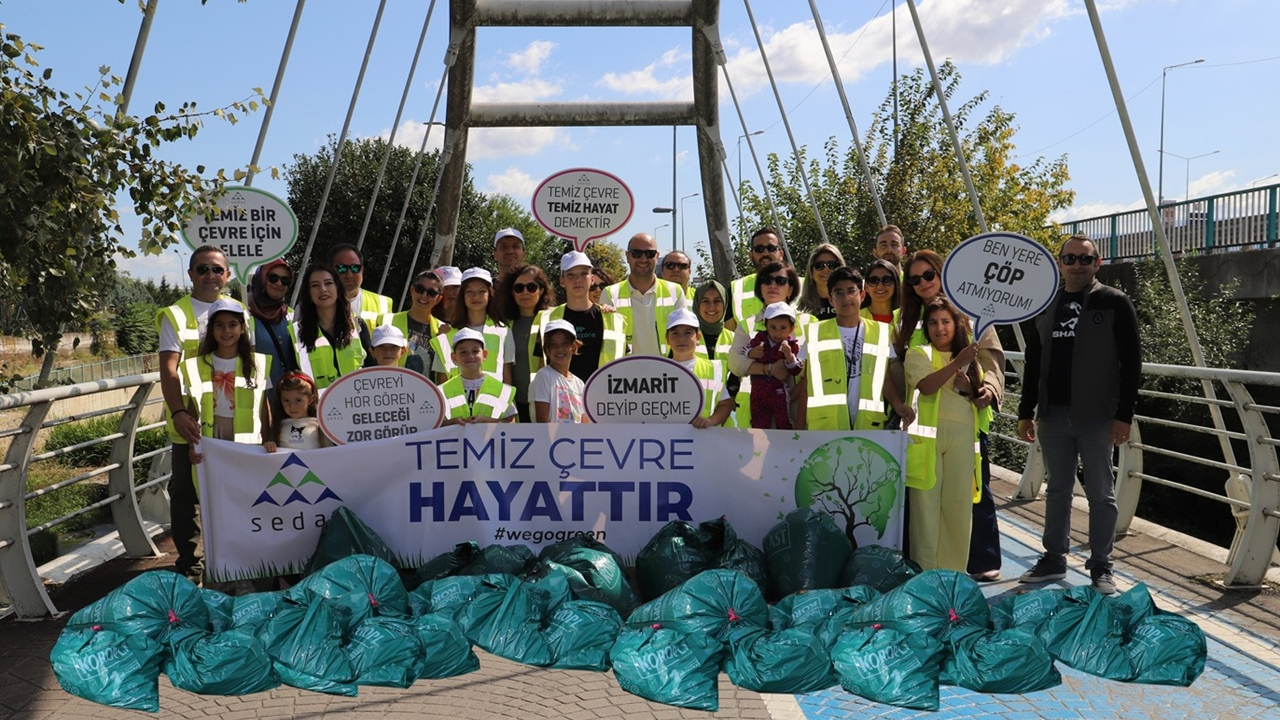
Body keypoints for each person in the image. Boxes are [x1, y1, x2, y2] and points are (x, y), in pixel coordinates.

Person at [1017, 235, 1141, 596]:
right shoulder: (1045, 303)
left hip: (1098, 415)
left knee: (1101, 493)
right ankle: (1054, 559)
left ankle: (1102, 565)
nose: (1076, 264)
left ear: (1097, 263)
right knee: (1057, 489)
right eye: (1069, 258)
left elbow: (1131, 362)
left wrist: (1124, 415)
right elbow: (1034, 361)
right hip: (1053, 413)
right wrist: (1026, 410)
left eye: (1084, 259)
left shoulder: (1114, 302)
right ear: (1059, 263)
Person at [895, 248, 1006, 581]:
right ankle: (925, 568)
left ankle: (980, 561)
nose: (922, 283)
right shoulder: (906, 323)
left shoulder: (973, 315)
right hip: (923, 427)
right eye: (914, 279)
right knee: (924, 498)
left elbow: (992, 360)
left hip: (969, 419)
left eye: (928, 274)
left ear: (942, 273)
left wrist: (989, 389)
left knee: (973, 492)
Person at [156, 245, 240, 581]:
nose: (210, 276)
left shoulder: (237, 311)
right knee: (185, 497)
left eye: (217, 270)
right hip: (190, 420)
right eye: (203, 269)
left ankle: (236, 560)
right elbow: (169, 369)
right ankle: (191, 566)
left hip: (234, 419)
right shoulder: (176, 315)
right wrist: (178, 411)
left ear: (227, 275)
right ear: (190, 274)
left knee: (235, 491)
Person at [904, 296, 988, 572]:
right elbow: (927, 386)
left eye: (945, 322)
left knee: (958, 509)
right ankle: (925, 576)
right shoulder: (918, 353)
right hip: (927, 445)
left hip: (962, 441)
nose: (939, 328)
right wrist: (956, 363)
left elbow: (979, 401)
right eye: (933, 323)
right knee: (925, 513)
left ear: (957, 324)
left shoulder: (972, 360)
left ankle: (955, 575)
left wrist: (971, 390)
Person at [799, 266, 908, 432]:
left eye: (851, 291)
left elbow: (885, 379)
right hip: (825, 426)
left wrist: (898, 405)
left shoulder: (881, 332)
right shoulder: (816, 332)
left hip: (868, 425)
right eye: (838, 293)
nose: (846, 298)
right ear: (830, 299)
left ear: (862, 295)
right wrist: (799, 427)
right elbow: (806, 382)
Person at [182, 299, 272, 466]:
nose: (226, 331)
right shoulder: (198, 365)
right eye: (219, 325)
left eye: (232, 325)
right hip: (211, 434)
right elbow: (192, 409)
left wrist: (267, 439)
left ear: (242, 328)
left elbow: (263, 408)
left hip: (247, 438)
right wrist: (192, 444)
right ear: (211, 330)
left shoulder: (257, 364)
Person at [727, 262, 811, 429]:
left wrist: (787, 397)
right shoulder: (747, 324)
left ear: (791, 289)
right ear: (760, 289)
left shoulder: (810, 322)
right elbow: (734, 363)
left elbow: (811, 372)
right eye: (767, 280)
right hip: (755, 411)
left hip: (798, 410)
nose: (773, 285)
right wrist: (770, 369)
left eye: (780, 281)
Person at [537, 251, 627, 383]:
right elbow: (541, 363)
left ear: (592, 279)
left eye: (583, 273)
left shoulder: (613, 319)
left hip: (602, 398)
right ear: (562, 281)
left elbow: (623, 364)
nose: (578, 280)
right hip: (560, 399)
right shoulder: (547, 319)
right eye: (571, 275)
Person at [601, 232, 689, 356]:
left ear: (657, 256)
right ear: (627, 256)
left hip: (666, 371)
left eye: (649, 254)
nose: (643, 259)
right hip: (624, 372)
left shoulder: (675, 291)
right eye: (636, 253)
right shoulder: (610, 294)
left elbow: (684, 336)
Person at [291, 263, 370, 391]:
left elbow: (372, 368)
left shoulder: (357, 325)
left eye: (328, 283)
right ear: (309, 293)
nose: (323, 289)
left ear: (338, 289)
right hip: (318, 407)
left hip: (358, 405)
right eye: (315, 285)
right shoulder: (296, 333)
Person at [431, 267, 514, 384]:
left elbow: (507, 377)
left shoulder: (504, 332)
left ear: (489, 295)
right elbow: (442, 378)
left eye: (482, 291)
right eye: (470, 292)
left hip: (491, 401)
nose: (476, 297)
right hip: (457, 401)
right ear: (463, 296)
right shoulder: (448, 333)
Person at [500, 264, 555, 422]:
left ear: (541, 290)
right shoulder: (504, 325)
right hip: (516, 406)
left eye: (531, 287)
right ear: (512, 292)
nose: (525, 292)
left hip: (549, 404)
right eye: (519, 288)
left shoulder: (555, 318)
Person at [665, 309, 735, 428]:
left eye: (687, 333)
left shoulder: (714, 369)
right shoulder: (657, 370)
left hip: (704, 440)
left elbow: (725, 404)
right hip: (669, 439)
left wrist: (710, 421)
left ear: (698, 337)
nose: (681, 338)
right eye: (675, 333)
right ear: (667, 339)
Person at [246, 259, 298, 402]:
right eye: (273, 278)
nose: (279, 284)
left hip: (289, 402)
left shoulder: (292, 316)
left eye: (285, 281)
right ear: (261, 279)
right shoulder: (243, 316)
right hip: (257, 400)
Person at [441, 328, 517, 424]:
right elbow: (433, 426)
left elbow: (512, 425)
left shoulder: (502, 391)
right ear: (454, 358)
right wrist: (451, 423)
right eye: (463, 352)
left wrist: (488, 422)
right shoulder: (443, 390)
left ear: (484, 355)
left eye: (475, 351)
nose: (470, 356)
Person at [745, 302, 803, 429]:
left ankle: (786, 445)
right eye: (773, 327)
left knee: (783, 420)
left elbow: (797, 369)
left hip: (778, 390)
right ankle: (758, 448)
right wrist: (752, 353)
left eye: (783, 328)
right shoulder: (759, 338)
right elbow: (746, 350)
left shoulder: (791, 345)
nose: (777, 332)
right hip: (758, 389)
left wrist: (789, 356)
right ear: (766, 326)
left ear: (791, 328)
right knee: (758, 422)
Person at [729, 227, 791, 329]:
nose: (765, 253)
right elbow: (730, 334)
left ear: (781, 254)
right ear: (750, 256)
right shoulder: (734, 288)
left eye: (771, 248)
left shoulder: (803, 285)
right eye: (759, 249)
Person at [386, 269, 446, 375]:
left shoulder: (443, 330)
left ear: (438, 299)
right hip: (393, 388)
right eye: (420, 289)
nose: (424, 295)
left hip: (427, 390)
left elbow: (444, 372)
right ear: (412, 290)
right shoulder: (388, 321)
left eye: (431, 293)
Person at [531, 319, 588, 423]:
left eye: (565, 343)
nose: (559, 349)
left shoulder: (579, 383)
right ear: (547, 349)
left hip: (576, 439)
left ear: (574, 347)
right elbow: (542, 421)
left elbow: (585, 421)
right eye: (553, 344)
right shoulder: (543, 376)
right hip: (551, 439)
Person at [328, 243, 393, 327]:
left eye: (355, 268)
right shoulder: (317, 302)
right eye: (341, 268)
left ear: (362, 270)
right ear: (329, 271)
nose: (349, 274)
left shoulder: (383, 304)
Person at [265, 372, 329, 452]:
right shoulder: (278, 426)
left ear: (310, 400)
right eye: (286, 401)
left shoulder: (320, 426)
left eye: (298, 400)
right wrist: (269, 446)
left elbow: (329, 454)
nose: (292, 407)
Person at [796, 243, 844, 321]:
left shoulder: (852, 301)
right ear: (811, 272)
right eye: (820, 265)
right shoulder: (800, 307)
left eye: (832, 265)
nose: (826, 269)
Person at [860, 259, 901, 326]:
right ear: (866, 287)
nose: (880, 286)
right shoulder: (855, 318)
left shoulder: (907, 318)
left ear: (896, 284)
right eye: (873, 280)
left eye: (887, 280)